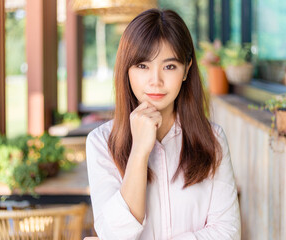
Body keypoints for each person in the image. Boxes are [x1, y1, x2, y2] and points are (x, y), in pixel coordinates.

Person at [85, 8, 241, 240]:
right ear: (126, 70)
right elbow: (114, 235)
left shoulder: (213, 139)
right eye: (142, 66)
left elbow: (227, 233)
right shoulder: (100, 143)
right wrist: (139, 151)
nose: (155, 81)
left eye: (169, 66)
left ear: (186, 69)